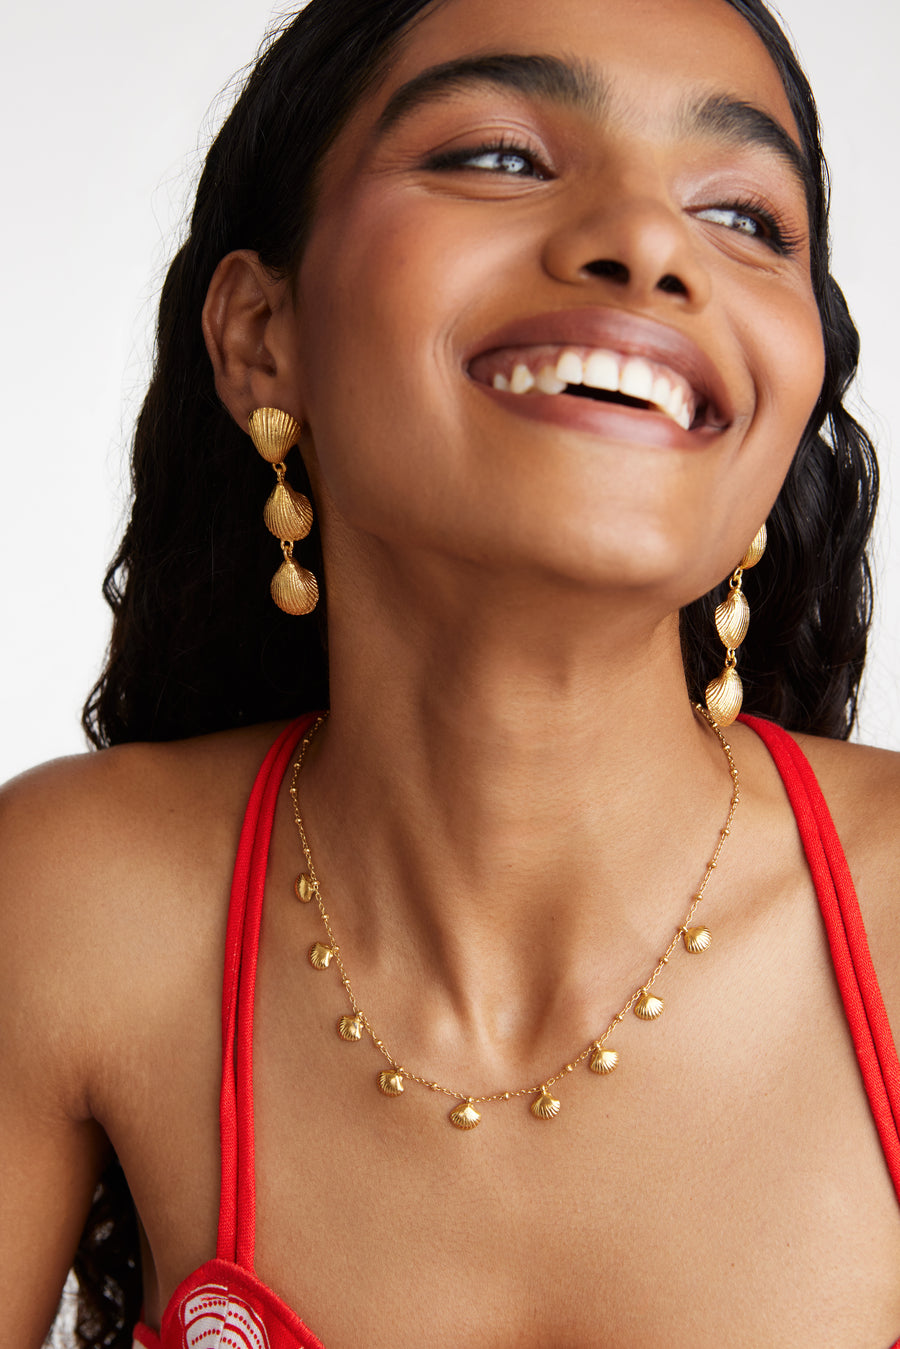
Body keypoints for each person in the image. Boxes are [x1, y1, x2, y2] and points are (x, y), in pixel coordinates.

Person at [2, 0, 899, 1345]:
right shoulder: (73, 904)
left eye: (745, 217)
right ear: (261, 333)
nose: (650, 241)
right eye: (495, 156)